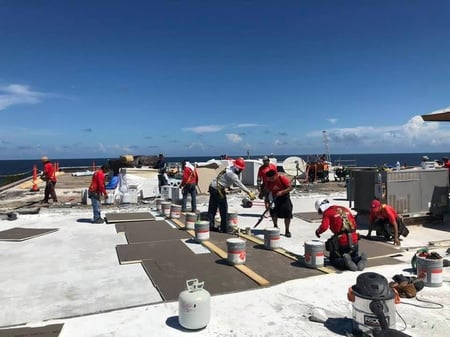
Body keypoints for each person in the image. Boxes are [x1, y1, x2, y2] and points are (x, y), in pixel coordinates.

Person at [314, 199, 367, 271]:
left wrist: (318, 231)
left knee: (334, 259)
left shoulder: (327, 212)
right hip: (355, 239)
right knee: (354, 255)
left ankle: (344, 262)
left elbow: (324, 227)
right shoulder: (343, 208)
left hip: (342, 241)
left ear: (320, 208)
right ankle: (359, 259)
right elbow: (354, 222)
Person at [208, 158, 256, 233]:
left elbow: (224, 178)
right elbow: (240, 185)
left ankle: (210, 226)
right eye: (240, 169)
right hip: (218, 190)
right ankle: (223, 229)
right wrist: (249, 192)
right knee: (223, 208)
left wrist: (228, 186)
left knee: (212, 208)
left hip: (213, 186)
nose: (241, 171)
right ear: (237, 168)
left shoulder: (229, 168)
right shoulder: (233, 175)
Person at [264, 169, 294, 237]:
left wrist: (282, 192)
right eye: (269, 179)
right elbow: (267, 191)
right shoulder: (268, 182)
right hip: (275, 198)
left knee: (287, 214)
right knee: (273, 213)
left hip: (284, 198)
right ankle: (275, 226)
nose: (271, 180)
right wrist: (267, 201)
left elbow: (290, 188)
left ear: (275, 176)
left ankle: (287, 230)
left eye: (272, 178)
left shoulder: (282, 178)